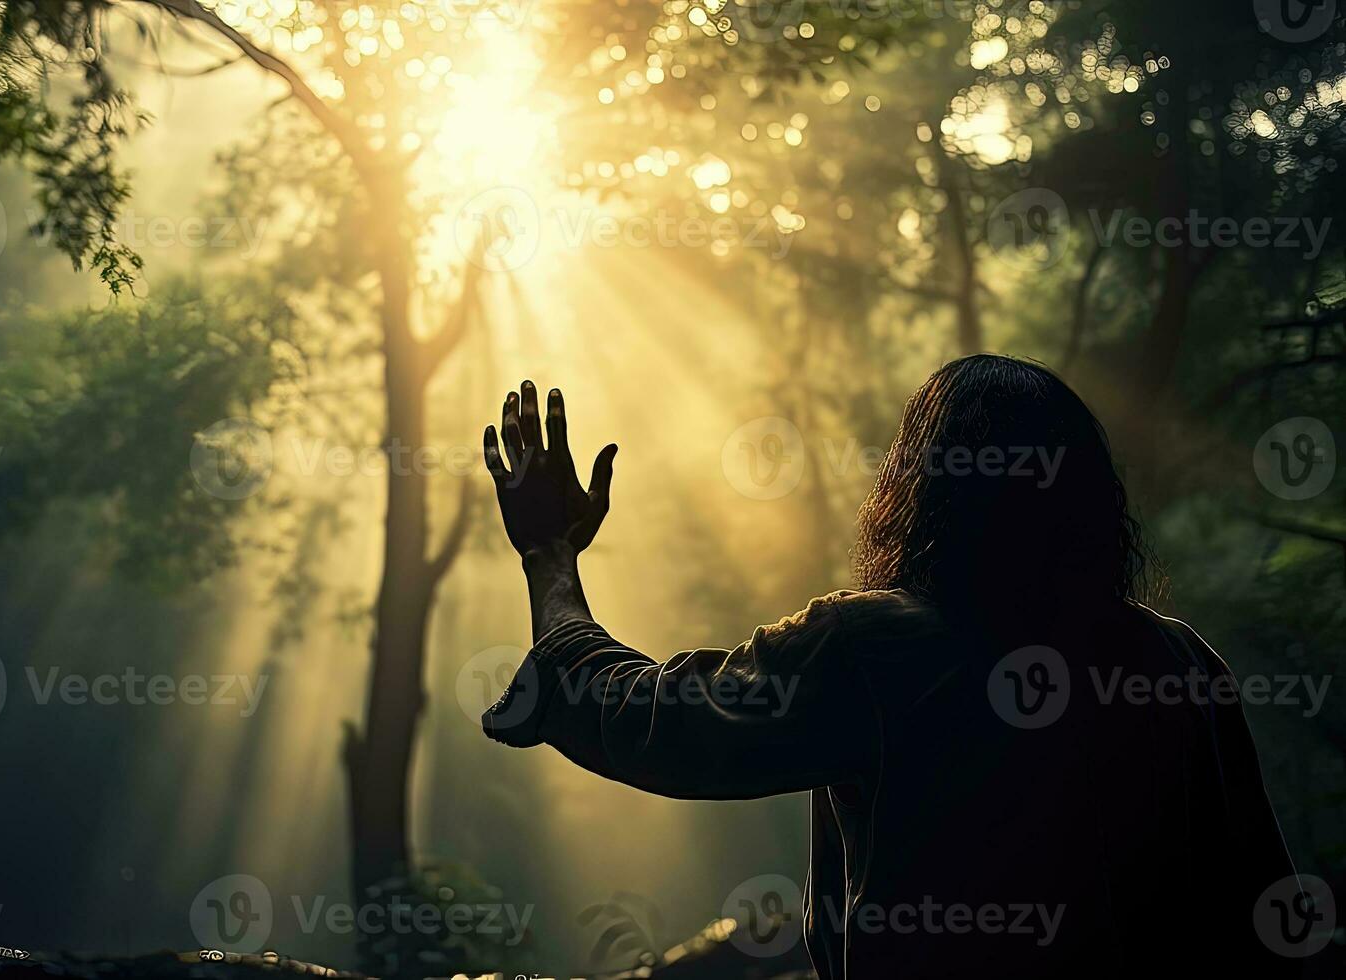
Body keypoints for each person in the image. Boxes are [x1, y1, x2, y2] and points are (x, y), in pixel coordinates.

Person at [478, 356, 1305, 979]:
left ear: (917, 489)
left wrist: (550, 560)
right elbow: (1265, 916)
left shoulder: (873, 652)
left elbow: (651, 723)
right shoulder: (1180, 663)